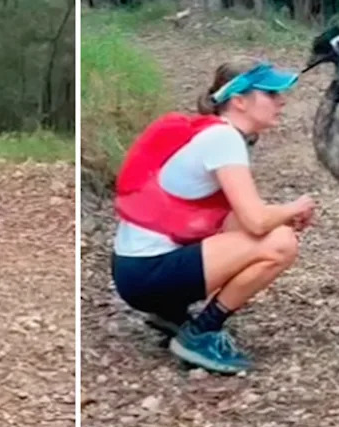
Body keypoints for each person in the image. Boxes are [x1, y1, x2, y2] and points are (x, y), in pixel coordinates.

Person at [111, 56, 316, 375]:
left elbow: (234, 220)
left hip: (136, 269)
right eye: (271, 94)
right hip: (147, 273)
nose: (281, 101)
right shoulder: (223, 140)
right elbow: (256, 222)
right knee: (281, 243)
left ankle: (171, 314)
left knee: (269, 232)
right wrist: (294, 208)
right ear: (239, 101)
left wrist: (279, 216)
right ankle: (201, 333)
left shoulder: (214, 134)